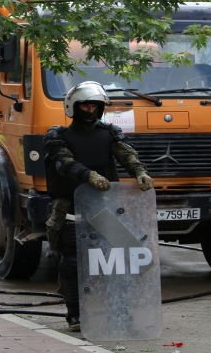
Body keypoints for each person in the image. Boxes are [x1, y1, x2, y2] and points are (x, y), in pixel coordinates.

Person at [43, 81, 154, 332]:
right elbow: (64, 163)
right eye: (85, 104)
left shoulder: (110, 132)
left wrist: (140, 173)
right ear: (74, 106)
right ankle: (76, 316)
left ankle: (119, 311)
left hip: (105, 208)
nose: (90, 109)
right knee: (73, 263)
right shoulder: (57, 137)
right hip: (70, 208)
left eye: (95, 104)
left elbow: (127, 155)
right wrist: (89, 176)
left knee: (118, 261)